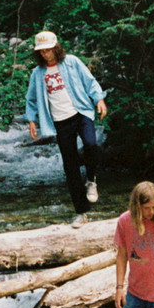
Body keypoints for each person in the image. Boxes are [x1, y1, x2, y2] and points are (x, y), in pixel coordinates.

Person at [25, 30, 107, 228]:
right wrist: (31, 120)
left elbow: (90, 81)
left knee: (91, 144)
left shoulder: (71, 62)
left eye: (48, 50)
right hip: (60, 122)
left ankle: (91, 180)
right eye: (41, 51)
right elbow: (31, 99)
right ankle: (81, 213)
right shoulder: (38, 73)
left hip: (81, 112)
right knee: (70, 167)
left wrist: (99, 99)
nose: (45, 54)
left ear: (56, 47)